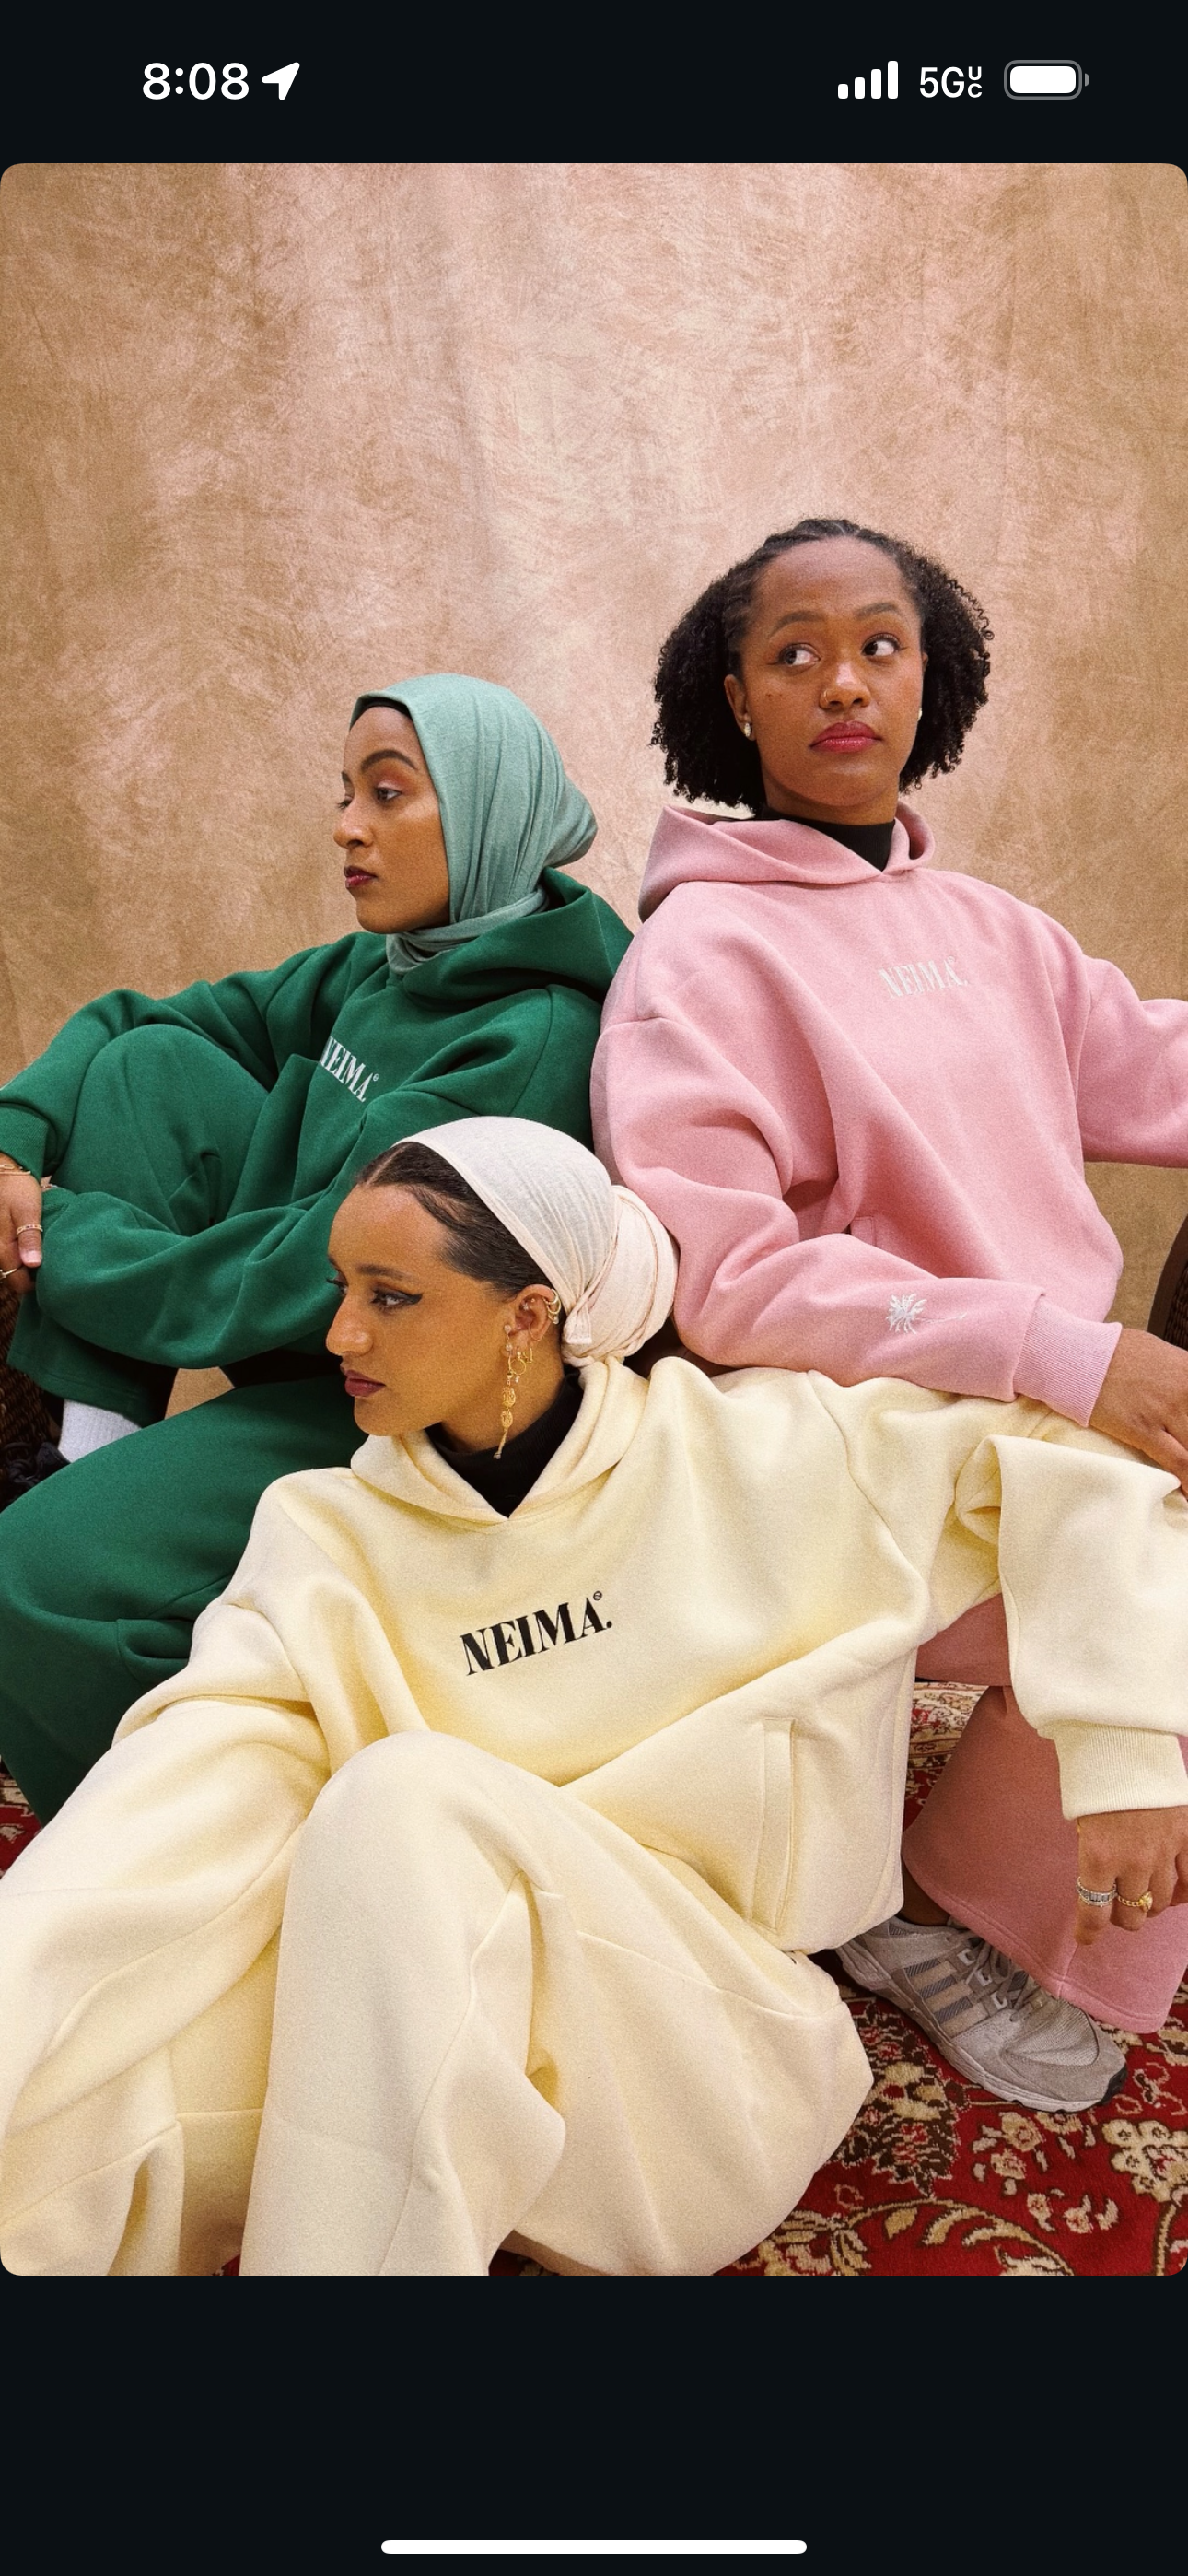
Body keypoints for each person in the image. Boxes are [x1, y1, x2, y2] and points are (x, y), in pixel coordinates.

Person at [0, 1117, 1186, 2277]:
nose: (340, 1330)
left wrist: (1125, 1751)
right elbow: (180, 1785)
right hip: (435, 2019)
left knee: (403, 1799)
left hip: (704, 2062)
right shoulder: (324, 1534)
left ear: (530, 1314)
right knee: (99, 2091)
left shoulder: (770, 1451)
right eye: (339, 1285)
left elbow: (1085, 1474)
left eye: (391, 1294)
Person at [592, 516, 1188, 2085]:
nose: (842, 682)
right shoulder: (701, 957)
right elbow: (725, 1283)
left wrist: (1081, 1369)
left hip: (1053, 1405)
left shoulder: (990, 927)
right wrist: (1062, 1354)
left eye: (879, 644)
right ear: (732, 697)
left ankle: (1002, 1850)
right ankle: (954, 1911)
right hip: (862, 1437)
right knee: (1163, 1556)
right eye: (795, 654)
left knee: (1140, 1514)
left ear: (936, 678)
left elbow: (1150, 1062)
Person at [0, 675, 629, 1821]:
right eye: (346, 792)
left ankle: (205, 1845)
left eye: (388, 794)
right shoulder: (397, 962)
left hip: (413, 1410)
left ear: (486, 816)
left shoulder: (526, 1040)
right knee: (151, 1069)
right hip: (326, 1343)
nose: (347, 824)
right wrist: (13, 1137)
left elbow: (300, 1277)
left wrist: (62, 1237)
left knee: (27, 1575)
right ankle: (92, 1456)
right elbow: (149, 1022)